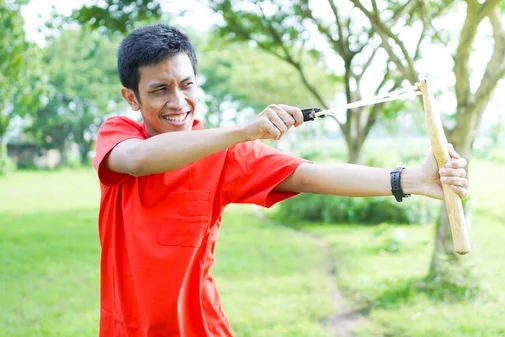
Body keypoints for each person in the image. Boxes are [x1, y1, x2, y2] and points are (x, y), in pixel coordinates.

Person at [92, 24, 468, 337]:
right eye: (160, 89)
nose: (178, 101)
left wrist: (413, 180)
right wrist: (245, 129)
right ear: (132, 98)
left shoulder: (224, 154)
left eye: (186, 85)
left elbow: (311, 176)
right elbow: (138, 161)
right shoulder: (120, 134)